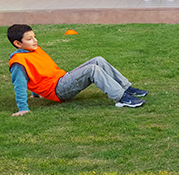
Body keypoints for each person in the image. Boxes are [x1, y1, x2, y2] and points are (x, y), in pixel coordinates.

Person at [6, 24, 147, 116]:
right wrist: (23, 108)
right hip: (58, 90)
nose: (35, 41)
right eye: (30, 39)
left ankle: (126, 88)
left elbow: (37, 74)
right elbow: (20, 84)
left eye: (34, 37)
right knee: (92, 69)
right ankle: (121, 98)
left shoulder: (33, 50)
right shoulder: (18, 62)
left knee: (98, 60)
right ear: (18, 43)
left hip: (62, 79)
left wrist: (36, 93)